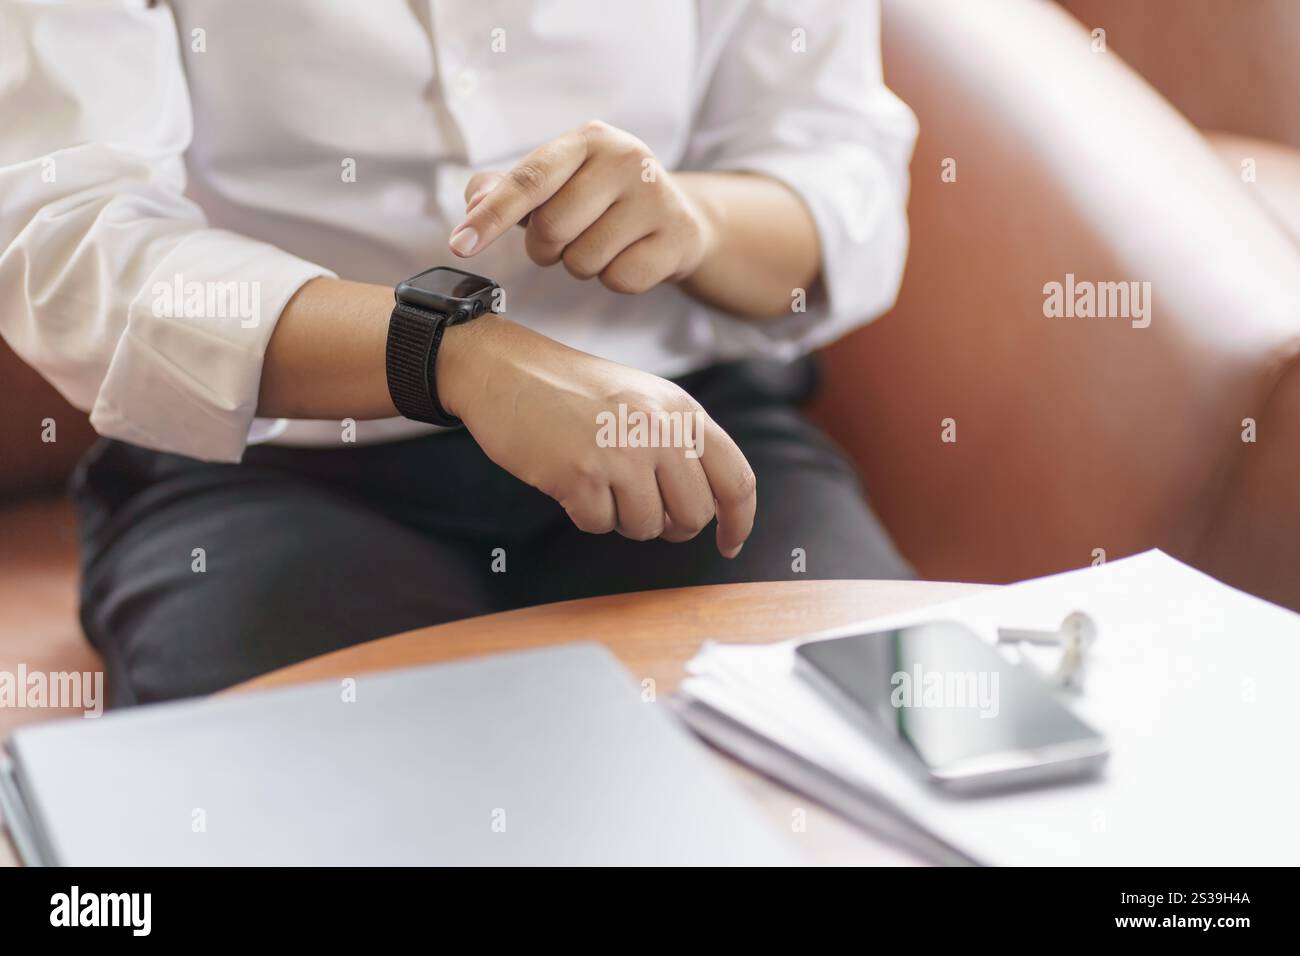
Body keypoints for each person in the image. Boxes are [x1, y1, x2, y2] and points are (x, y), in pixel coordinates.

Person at [0, 0, 917, 706]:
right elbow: (69, 233)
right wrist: (453, 355)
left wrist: (694, 219)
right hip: (269, 465)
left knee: (871, 776)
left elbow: (840, 171)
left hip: (681, 431)